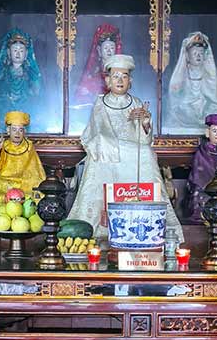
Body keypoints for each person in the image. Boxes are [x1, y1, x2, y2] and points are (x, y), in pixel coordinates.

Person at [67, 53, 183, 242]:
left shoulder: (136, 103)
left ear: (130, 81)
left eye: (124, 76)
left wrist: (144, 122)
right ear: (107, 80)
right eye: (115, 76)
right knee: (99, 154)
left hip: (131, 152)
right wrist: (111, 141)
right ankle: (98, 227)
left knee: (145, 153)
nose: (120, 80)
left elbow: (144, 141)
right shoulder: (100, 103)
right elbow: (97, 132)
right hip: (108, 152)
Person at [0, 110, 46, 222]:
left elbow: (35, 168)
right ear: (8, 131)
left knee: (35, 191)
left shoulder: (29, 147)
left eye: (20, 130)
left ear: (24, 132)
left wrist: (30, 180)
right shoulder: (4, 145)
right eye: (14, 130)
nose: (17, 133)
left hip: (24, 180)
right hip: (5, 180)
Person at [166, 31, 217, 132]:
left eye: (200, 53)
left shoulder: (210, 73)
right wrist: (189, 104)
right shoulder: (182, 73)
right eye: (195, 53)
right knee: (183, 111)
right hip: (187, 110)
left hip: (207, 109)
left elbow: (216, 99)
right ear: (187, 56)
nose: (198, 56)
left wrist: (205, 106)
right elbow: (175, 97)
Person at [0, 28, 43, 132]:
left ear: (26, 53)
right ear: (9, 52)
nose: (18, 53)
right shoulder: (3, 72)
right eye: (15, 50)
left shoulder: (30, 73)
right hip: (4, 112)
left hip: (26, 112)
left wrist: (31, 88)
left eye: (21, 51)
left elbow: (37, 92)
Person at [74, 23, 121, 103]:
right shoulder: (93, 73)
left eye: (112, 48)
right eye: (106, 48)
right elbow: (81, 97)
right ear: (99, 50)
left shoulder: (120, 73)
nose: (109, 51)